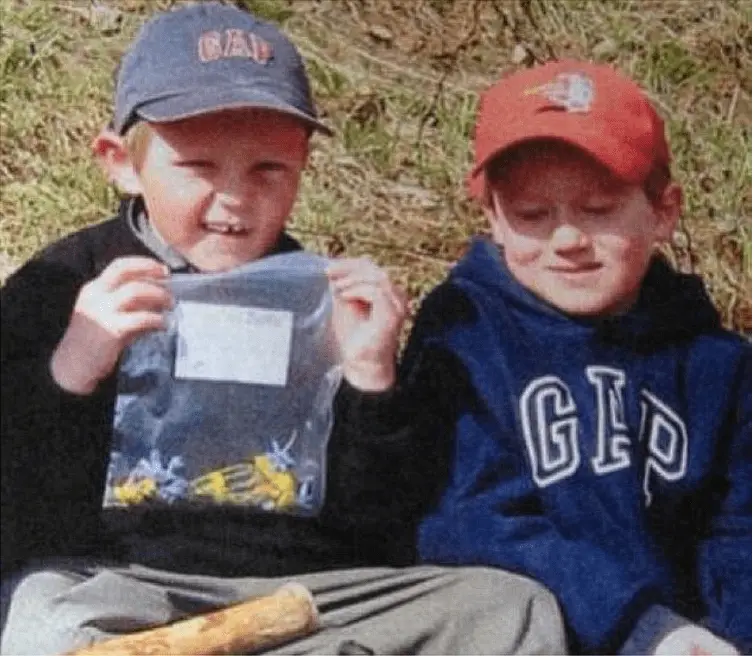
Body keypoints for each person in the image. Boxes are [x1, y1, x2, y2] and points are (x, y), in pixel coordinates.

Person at [0, 3, 567, 654]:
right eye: (200, 168)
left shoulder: (317, 295)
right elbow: (19, 513)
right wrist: (68, 371)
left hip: (304, 592)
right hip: (125, 586)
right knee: (40, 620)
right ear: (120, 161)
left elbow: (379, 526)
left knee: (509, 608)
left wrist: (371, 382)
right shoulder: (67, 286)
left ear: (303, 166)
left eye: (268, 169)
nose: (236, 198)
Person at [382, 60, 750, 655]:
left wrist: (731, 636)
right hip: (540, 634)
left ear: (664, 211)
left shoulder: (715, 362)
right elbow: (465, 522)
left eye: (599, 209)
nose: (568, 239)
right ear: (493, 221)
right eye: (532, 215)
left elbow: (738, 528)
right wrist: (639, 625)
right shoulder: (467, 336)